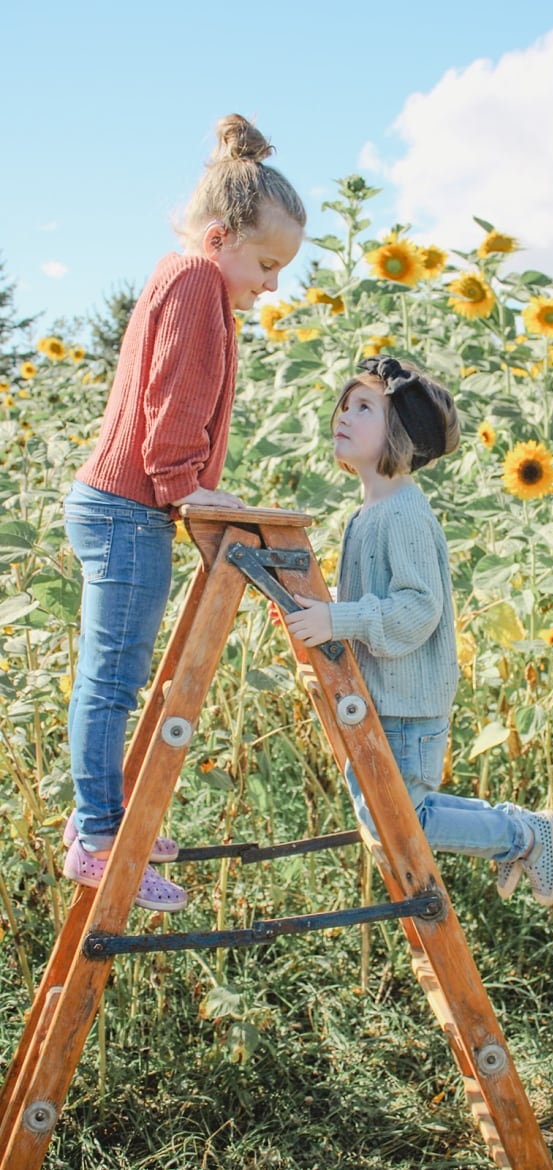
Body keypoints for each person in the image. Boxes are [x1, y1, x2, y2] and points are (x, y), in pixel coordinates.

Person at [62, 114, 305, 911]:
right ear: (220, 235)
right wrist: (180, 481)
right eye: (267, 263)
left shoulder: (186, 276)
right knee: (112, 683)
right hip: (132, 506)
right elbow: (176, 392)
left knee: (113, 678)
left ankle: (106, 817)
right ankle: (99, 838)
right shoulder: (198, 280)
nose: (272, 284)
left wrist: (194, 481)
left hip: (124, 502)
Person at [285, 356, 553, 905]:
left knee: (400, 819)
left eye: (364, 407)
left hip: (407, 703)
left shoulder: (403, 514)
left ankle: (522, 836)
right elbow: (382, 595)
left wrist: (338, 618)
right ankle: (520, 830)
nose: (344, 413)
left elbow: (416, 609)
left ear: (402, 436)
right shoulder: (371, 512)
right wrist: (328, 607)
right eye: (345, 403)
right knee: (399, 811)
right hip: (386, 695)